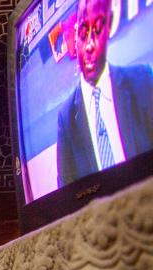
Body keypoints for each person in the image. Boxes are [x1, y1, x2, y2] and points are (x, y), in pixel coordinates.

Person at [56, 0, 153, 187]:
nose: (89, 45)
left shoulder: (142, 80)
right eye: (83, 32)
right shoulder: (66, 118)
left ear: (109, 27)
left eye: (98, 29)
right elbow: (66, 193)